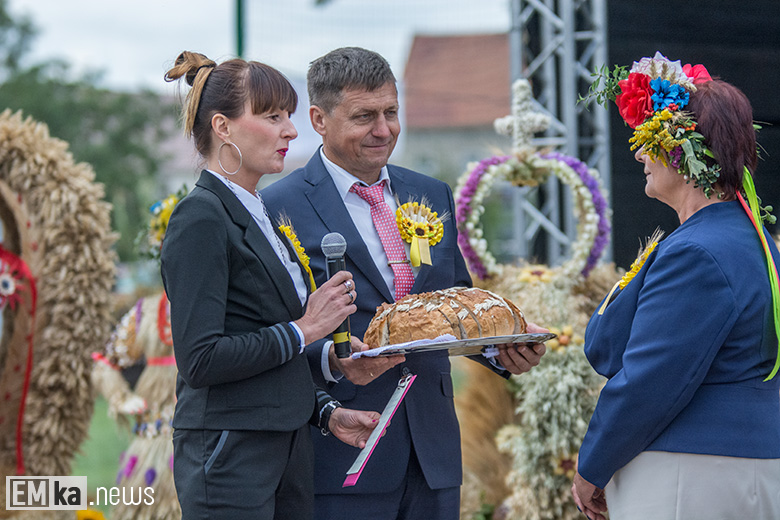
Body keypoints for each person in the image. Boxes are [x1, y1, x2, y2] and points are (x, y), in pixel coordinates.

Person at [262, 46, 548, 520]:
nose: (383, 129)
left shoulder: (430, 193)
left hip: (433, 454)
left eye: (391, 112)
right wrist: (331, 361)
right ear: (318, 119)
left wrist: (504, 350)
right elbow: (274, 329)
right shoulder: (279, 207)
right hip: (342, 453)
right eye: (364, 116)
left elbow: (456, 303)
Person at [160, 51, 382, 520]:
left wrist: (325, 403)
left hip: (287, 448)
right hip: (230, 456)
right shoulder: (200, 217)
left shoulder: (258, 212)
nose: (291, 130)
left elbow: (263, 337)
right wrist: (307, 328)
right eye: (273, 116)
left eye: (289, 116)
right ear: (223, 127)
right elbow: (201, 359)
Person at [572, 52, 780, 520]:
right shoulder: (754, 240)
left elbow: (650, 380)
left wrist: (592, 466)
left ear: (681, 150)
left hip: (693, 468)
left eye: (647, 140)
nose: (640, 155)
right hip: (739, 464)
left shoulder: (696, 252)